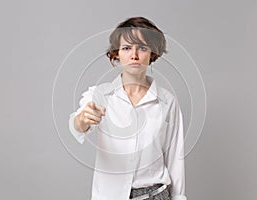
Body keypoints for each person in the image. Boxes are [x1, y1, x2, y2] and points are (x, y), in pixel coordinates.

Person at [69, 17, 187, 200]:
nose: (134, 55)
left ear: (152, 53)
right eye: (126, 48)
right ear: (116, 54)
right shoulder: (100, 95)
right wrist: (82, 120)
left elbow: (175, 158)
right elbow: (77, 125)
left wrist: (179, 197)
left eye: (142, 47)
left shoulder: (167, 101)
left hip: (156, 194)